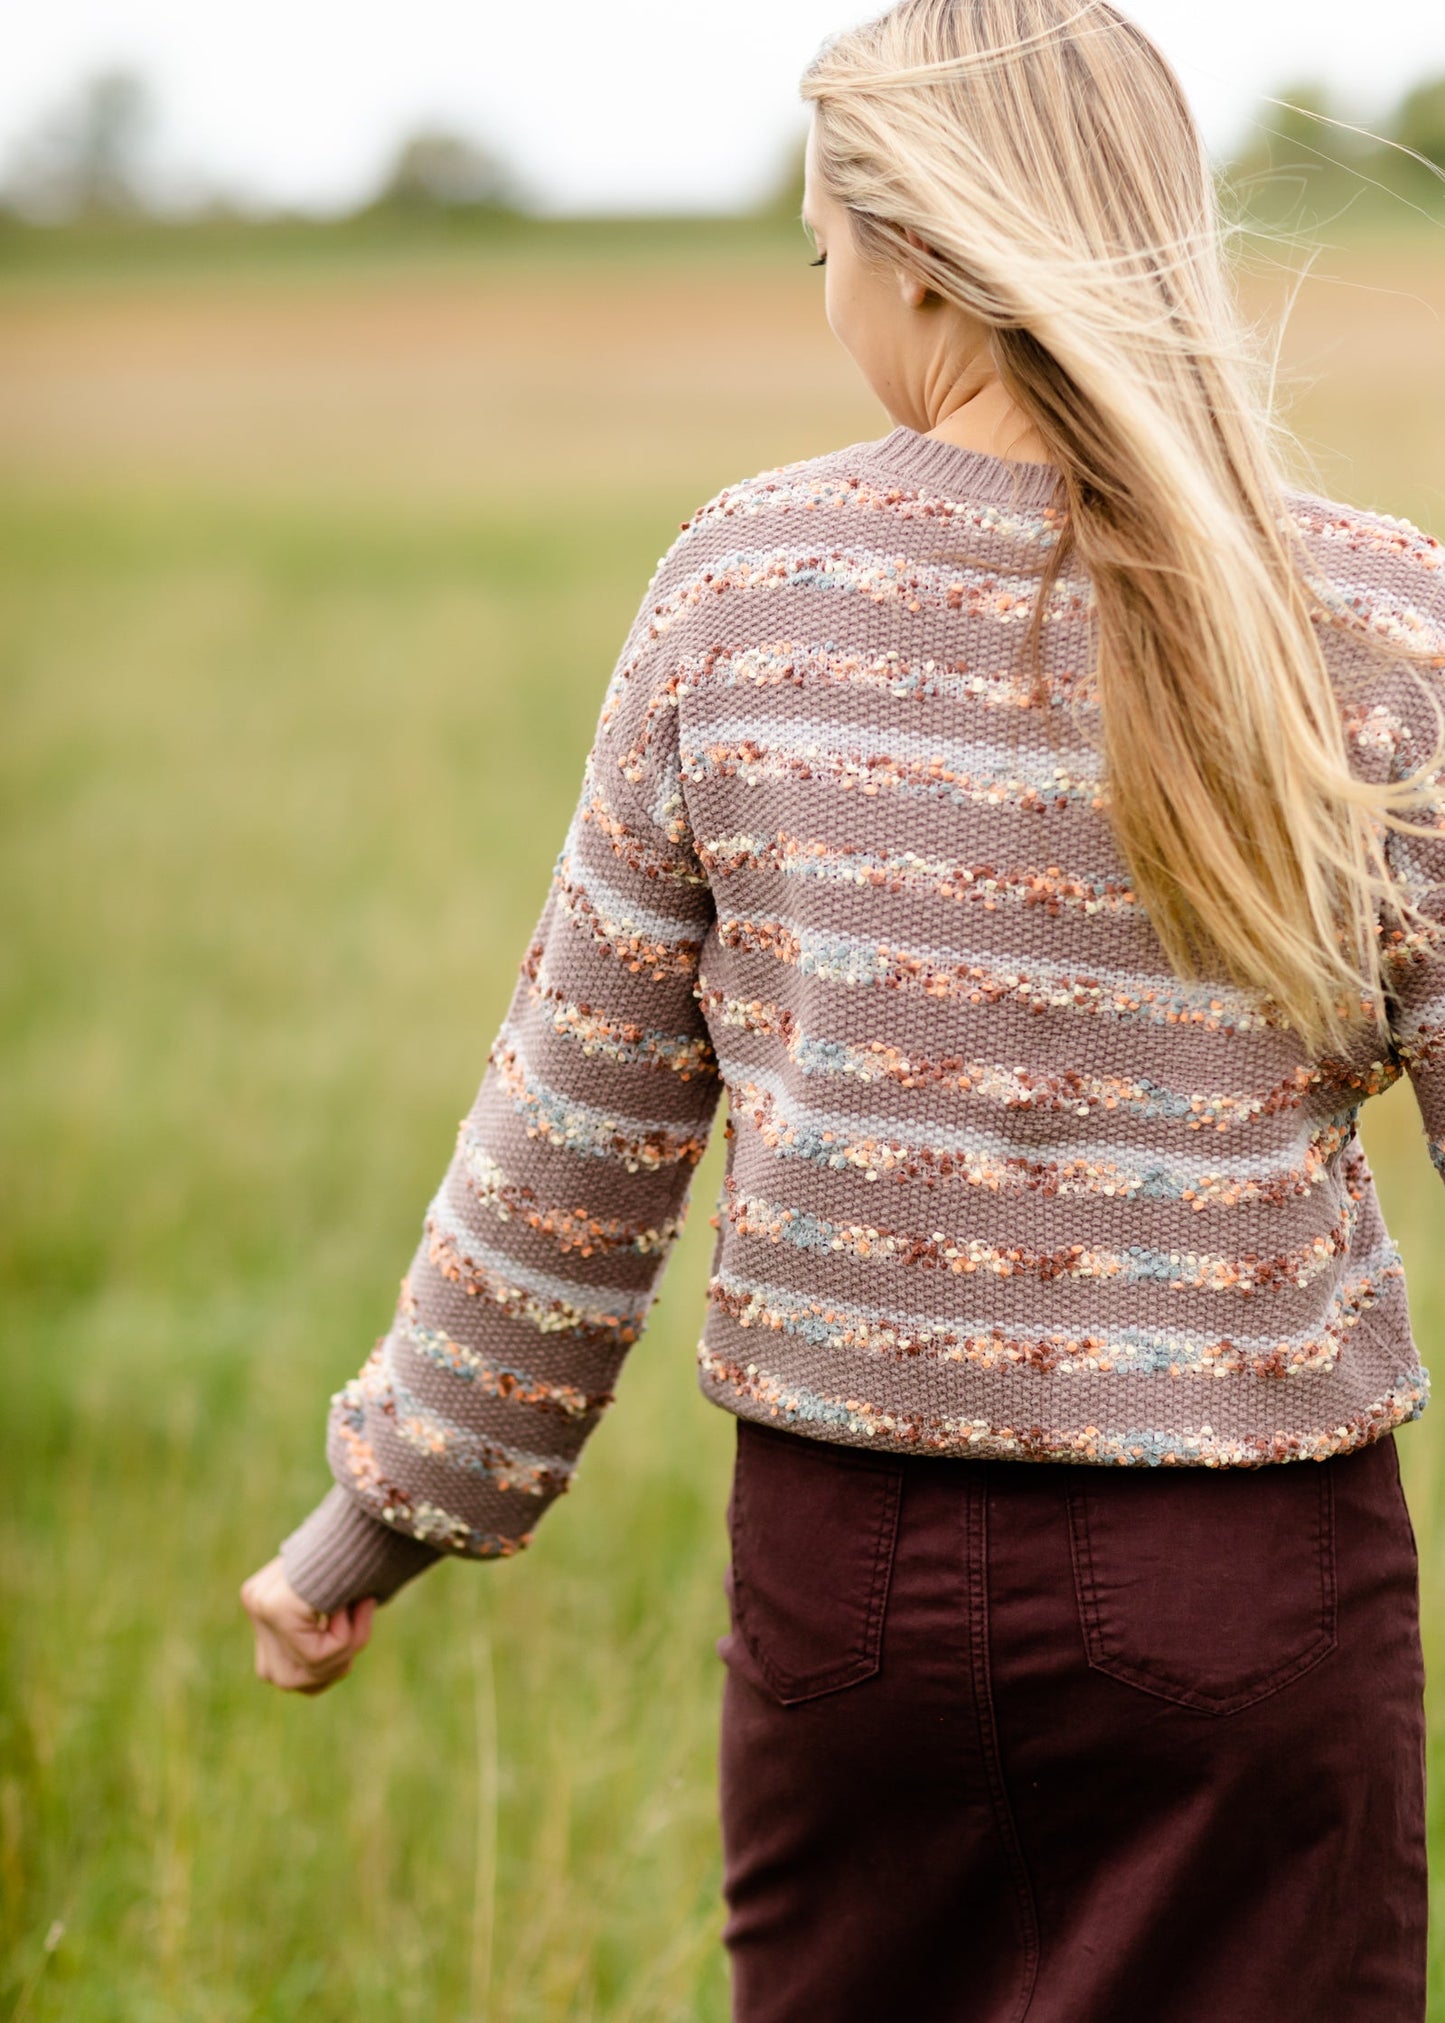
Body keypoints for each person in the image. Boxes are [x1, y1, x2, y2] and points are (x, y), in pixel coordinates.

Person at [241, 1, 1445, 2014]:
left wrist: (372, 1524)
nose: (832, 305)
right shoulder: (1384, 618)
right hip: (1255, 1585)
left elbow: (577, 1128)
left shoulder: (743, 594)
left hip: (852, 1584)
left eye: (824, 259)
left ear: (914, 254)